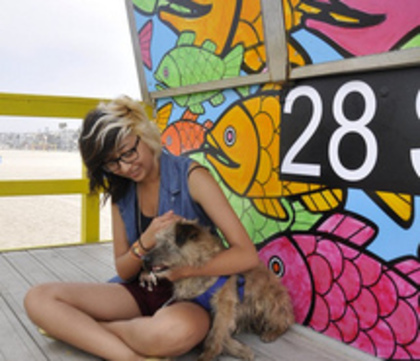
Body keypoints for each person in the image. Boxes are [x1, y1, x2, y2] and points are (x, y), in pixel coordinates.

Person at [24, 95, 259, 361]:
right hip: (142, 288)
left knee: (170, 333)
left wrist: (185, 270)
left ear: (143, 133)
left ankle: (82, 331)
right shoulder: (120, 191)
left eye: (128, 152)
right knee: (39, 298)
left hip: (191, 294)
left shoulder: (193, 177)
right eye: (112, 162)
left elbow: (246, 254)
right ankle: (130, 357)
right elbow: (124, 269)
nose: (124, 167)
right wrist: (145, 241)